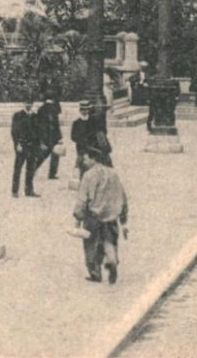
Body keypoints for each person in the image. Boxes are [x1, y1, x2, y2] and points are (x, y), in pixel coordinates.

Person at [73, 140, 128, 284]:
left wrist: (77, 218)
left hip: (93, 216)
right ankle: (112, 260)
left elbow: (82, 199)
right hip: (111, 216)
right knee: (109, 241)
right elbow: (122, 195)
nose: (84, 162)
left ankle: (95, 273)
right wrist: (123, 218)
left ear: (93, 159)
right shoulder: (113, 173)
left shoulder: (88, 175)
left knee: (92, 245)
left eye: (85, 159)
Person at [10, 100, 42, 197]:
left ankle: (29, 190)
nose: (29, 105)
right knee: (18, 168)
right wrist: (17, 144)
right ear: (23, 104)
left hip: (32, 146)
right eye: (27, 103)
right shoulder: (18, 115)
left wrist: (37, 145)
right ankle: (14, 191)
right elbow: (14, 131)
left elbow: (38, 131)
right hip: (22, 145)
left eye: (30, 103)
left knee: (30, 169)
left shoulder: (35, 116)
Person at [37, 95, 63, 178]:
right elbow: (56, 124)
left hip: (49, 135)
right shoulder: (52, 109)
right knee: (52, 153)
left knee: (48, 153)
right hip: (50, 135)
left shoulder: (42, 109)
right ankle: (52, 173)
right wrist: (59, 137)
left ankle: (34, 168)